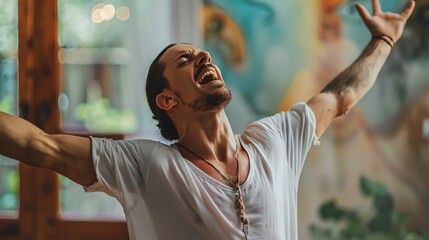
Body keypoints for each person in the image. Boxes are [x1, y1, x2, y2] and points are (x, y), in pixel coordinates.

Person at [0, 1, 415, 239]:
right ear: (168, 99)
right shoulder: (146, 167)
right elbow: (39, 144)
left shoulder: (275, 139)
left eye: (203, 54)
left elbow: (340, 97)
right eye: (186, 59)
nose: (204, 56)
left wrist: (384, 40)